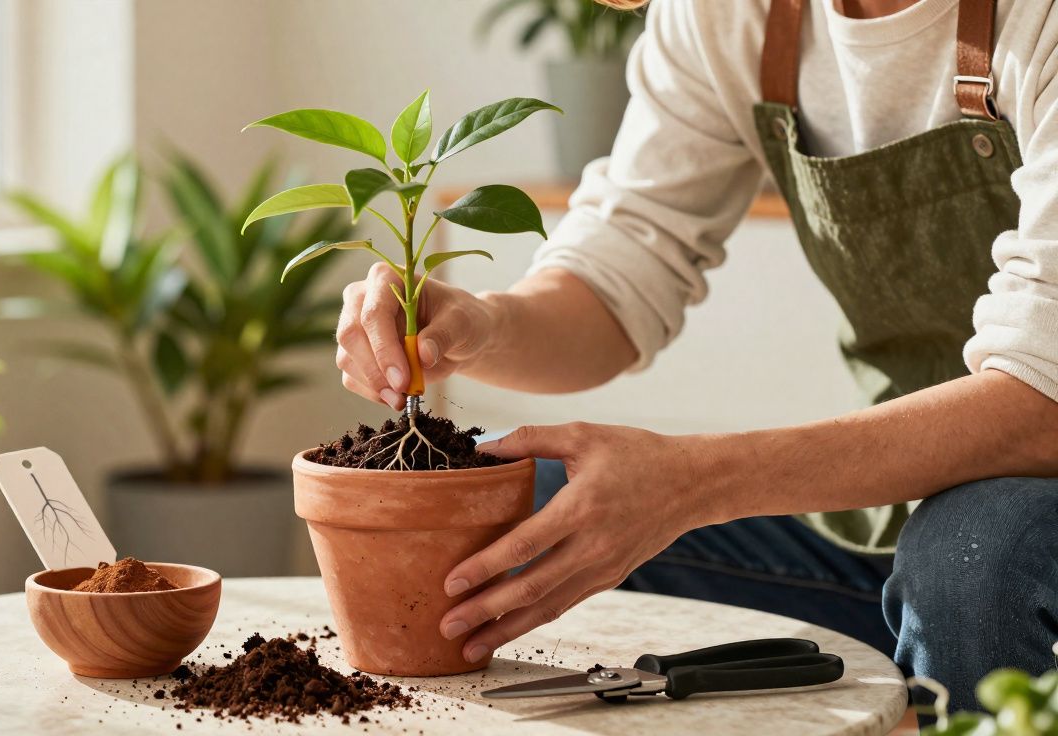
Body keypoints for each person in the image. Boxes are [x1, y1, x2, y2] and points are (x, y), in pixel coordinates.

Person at [333, 0, 1058, 713]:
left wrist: (691, 484)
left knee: (975, 556)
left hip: (1007, 540)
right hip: (891, 520)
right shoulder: (733, 15)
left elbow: (1042, 402)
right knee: (527, 512)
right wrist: (484, 325)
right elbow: (617, 274)